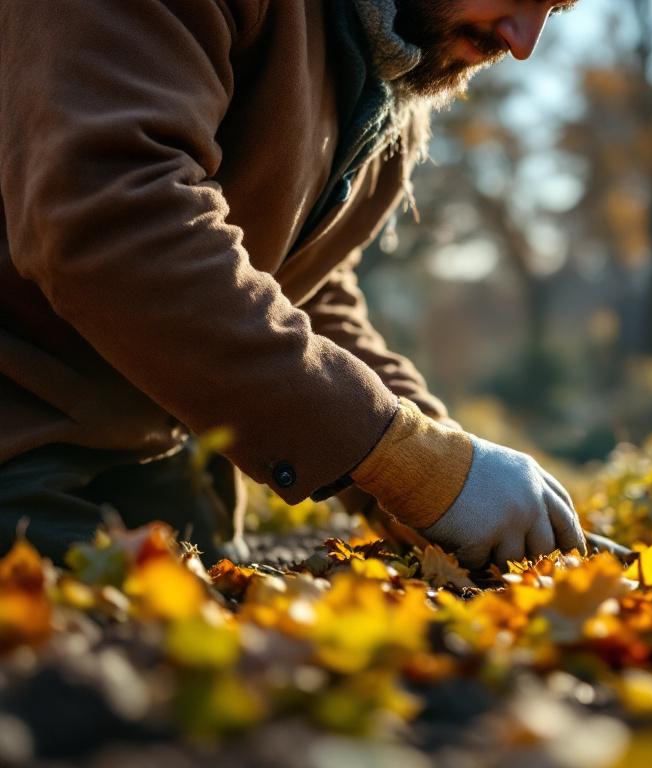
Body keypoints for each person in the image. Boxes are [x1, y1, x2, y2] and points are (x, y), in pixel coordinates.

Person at [0, 0, 587, 568]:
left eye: (553, 10)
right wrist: (397, 454)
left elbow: (301, 286)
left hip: (159, 458)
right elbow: (111, 223)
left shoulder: (391, 72)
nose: (523, 42)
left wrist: (434, 466)